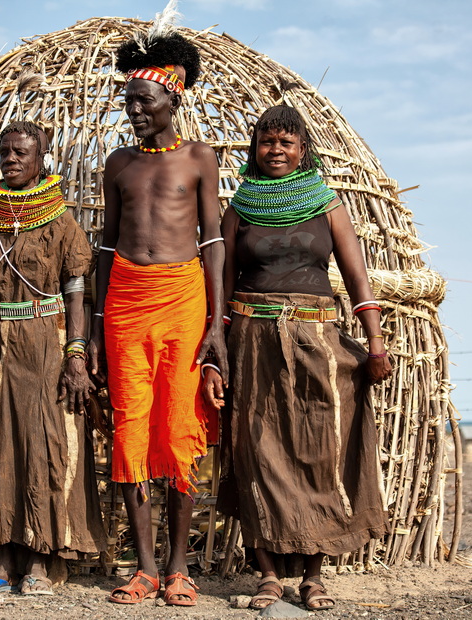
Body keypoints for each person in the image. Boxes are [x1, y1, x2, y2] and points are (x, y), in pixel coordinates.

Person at [204, 105, 391, 611]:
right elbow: (220, 292)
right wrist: (215, 355)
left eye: (286, 143)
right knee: (255, 450)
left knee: (319, 451)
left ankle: (313, 573)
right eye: (267, 143)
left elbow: (357, 280)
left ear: (303, 150)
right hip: (252, 340)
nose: (276, 151)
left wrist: (374, 343)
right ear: (254, 149)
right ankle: (266, 575)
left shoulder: (327, 205)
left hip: (316, 339)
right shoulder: (239, 209)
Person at [87, 25, 227, 606]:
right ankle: (142, 567)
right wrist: (94, 326)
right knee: (132, 432)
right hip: (124, 300)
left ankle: (178, 566)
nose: (135, 111)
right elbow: (104, 245)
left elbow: (214, 240)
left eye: (144, 101)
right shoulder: (118, 164)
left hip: (183, 298)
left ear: (174, 98)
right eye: (128, 103)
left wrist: (217, 324)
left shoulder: (199, 158)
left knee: (179, 427)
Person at [0, 120, 104, 596]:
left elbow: (77, 298)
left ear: (41, 160)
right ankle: (1, 559)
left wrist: (76, 358)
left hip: (44, 345)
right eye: (6, 152)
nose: (12, 160)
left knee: (42, 446)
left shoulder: (62, 224)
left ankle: (38, 561)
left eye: (22, 153)